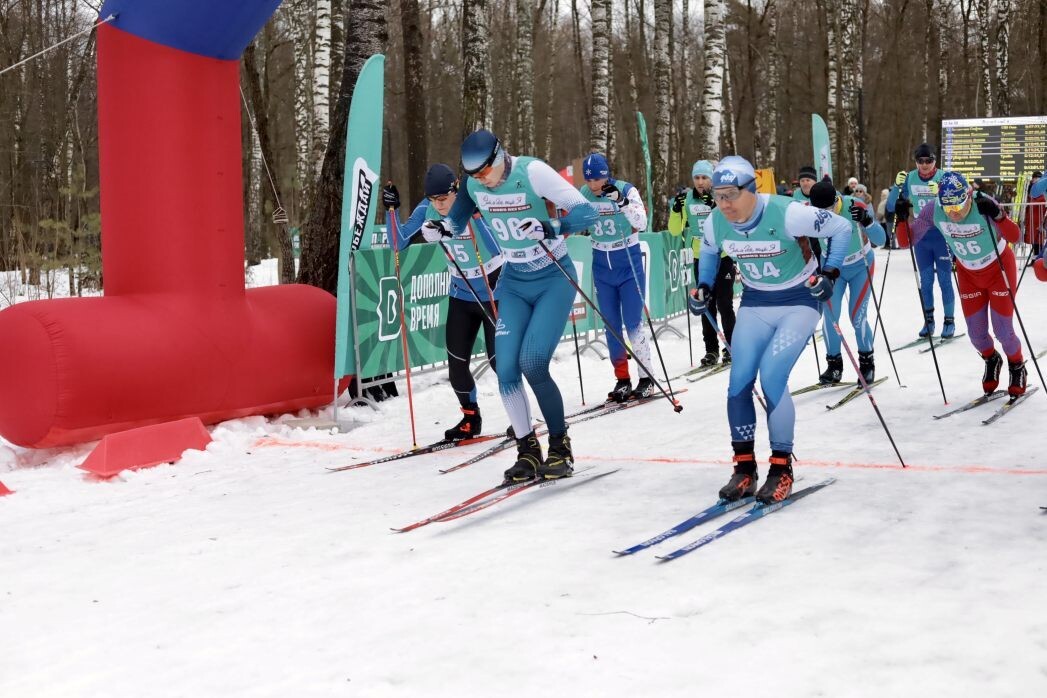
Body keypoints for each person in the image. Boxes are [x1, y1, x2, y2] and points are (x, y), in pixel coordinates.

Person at [689, 156, 852, 504]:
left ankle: (782, 468)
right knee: (738, 383)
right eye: (718, 196)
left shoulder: (788, 211)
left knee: (772, 377)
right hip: (756, 304)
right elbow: (708, 249)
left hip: (799, 302)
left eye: (731, 194)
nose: (725, 204)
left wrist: (830, 273)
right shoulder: (716, 221)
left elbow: (842, 228)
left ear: (752, 189)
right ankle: (744, 468)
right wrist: (703, 284)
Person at [438, 129, 599, 482]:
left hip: (552, 278)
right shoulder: (474, 185)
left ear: (499, 158)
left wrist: (550, 226)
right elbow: (455, 221)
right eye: (473, 175)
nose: (480, 180)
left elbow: (587, 214)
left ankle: (560, 445)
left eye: (484, 172)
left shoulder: (533, 172)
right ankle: (527, 450)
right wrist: (442, 229)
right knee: (506, 367)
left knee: (533, 362)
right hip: (513, 282)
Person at [383, 165, 504, 441]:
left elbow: (497, 246)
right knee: (457, 364)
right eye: (433, 200)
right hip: (461, 293)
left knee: (500, 362)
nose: (439, 206)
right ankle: (470, 418)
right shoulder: (427, 209)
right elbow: (397, 243)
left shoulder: (473, 201)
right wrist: (392, 210)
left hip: (494, 289)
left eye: (444, 199)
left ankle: (521, 415)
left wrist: (470, 217)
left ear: (456, 189)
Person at [910, 172, 1026, 396]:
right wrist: (901, 217)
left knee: (1003, 330)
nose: (953, 213)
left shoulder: (983, 203)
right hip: (968, 273)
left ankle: (1017, 365)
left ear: (969, 196)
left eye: (958, 206)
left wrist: (999, 216)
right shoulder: (933, 209)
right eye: (948, 208)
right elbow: (908, 240)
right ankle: (992, 359)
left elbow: (1015, 236)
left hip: (998, 267)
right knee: (976, 334)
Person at [578, 153, 655, 402]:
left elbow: (641, 222)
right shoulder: (584, 193)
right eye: (589, 181)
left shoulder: (626, 190)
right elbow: (573, 219)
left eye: (598, 180)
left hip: (628, 262)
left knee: (633, 323)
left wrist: (621, 202)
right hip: (601, 265)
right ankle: (622, 379)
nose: (594, 186)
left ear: (606, 174)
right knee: (611, 326)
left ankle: (646, 378)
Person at [807, 179, 887, 384]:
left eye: (830, 208)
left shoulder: (853, 204)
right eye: (821, 210)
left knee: (857, 316)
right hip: (833, 270)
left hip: (861, 266)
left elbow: (881, 240)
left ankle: (867, 363)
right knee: (830, 317)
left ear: (837, 200)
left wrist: (867, 221)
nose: (826, 214)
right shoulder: (809, 213)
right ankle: (834, 366)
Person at [669, 159, 737, 366]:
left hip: (723, 256)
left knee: (724, 303)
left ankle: (732, 347)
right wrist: (675, 209)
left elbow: (733, 223)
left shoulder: (722, 195)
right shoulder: (687, 199)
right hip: (701, 256)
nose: (700, 182)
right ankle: (711, 350)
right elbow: (674, 230)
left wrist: (716, 205)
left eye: (704, 177)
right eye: (697, 177)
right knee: (705, 303)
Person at [887, 143, 955, 338]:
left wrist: (942, 192)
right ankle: (929, 321)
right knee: (925, 281)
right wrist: (896, 187)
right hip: (921, 235)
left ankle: (949, 321)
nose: (925, 165)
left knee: (944, 280)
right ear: (916, 162)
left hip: (942, 233)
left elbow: (960, 203)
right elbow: (892, 206)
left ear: (935, 161)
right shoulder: (909, 178)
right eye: (920, 161)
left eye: (929, 160)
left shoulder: (944, 177)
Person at [1024, 171, 1044, 263]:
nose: (1035, 180)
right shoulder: (1032, 188)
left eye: (1036, 178)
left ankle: (1039, 260)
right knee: (1033, 240)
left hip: (1039, 218)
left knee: (1038, 240)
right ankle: (1035, 260)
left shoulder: (1042, 189)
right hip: (1032, 218)